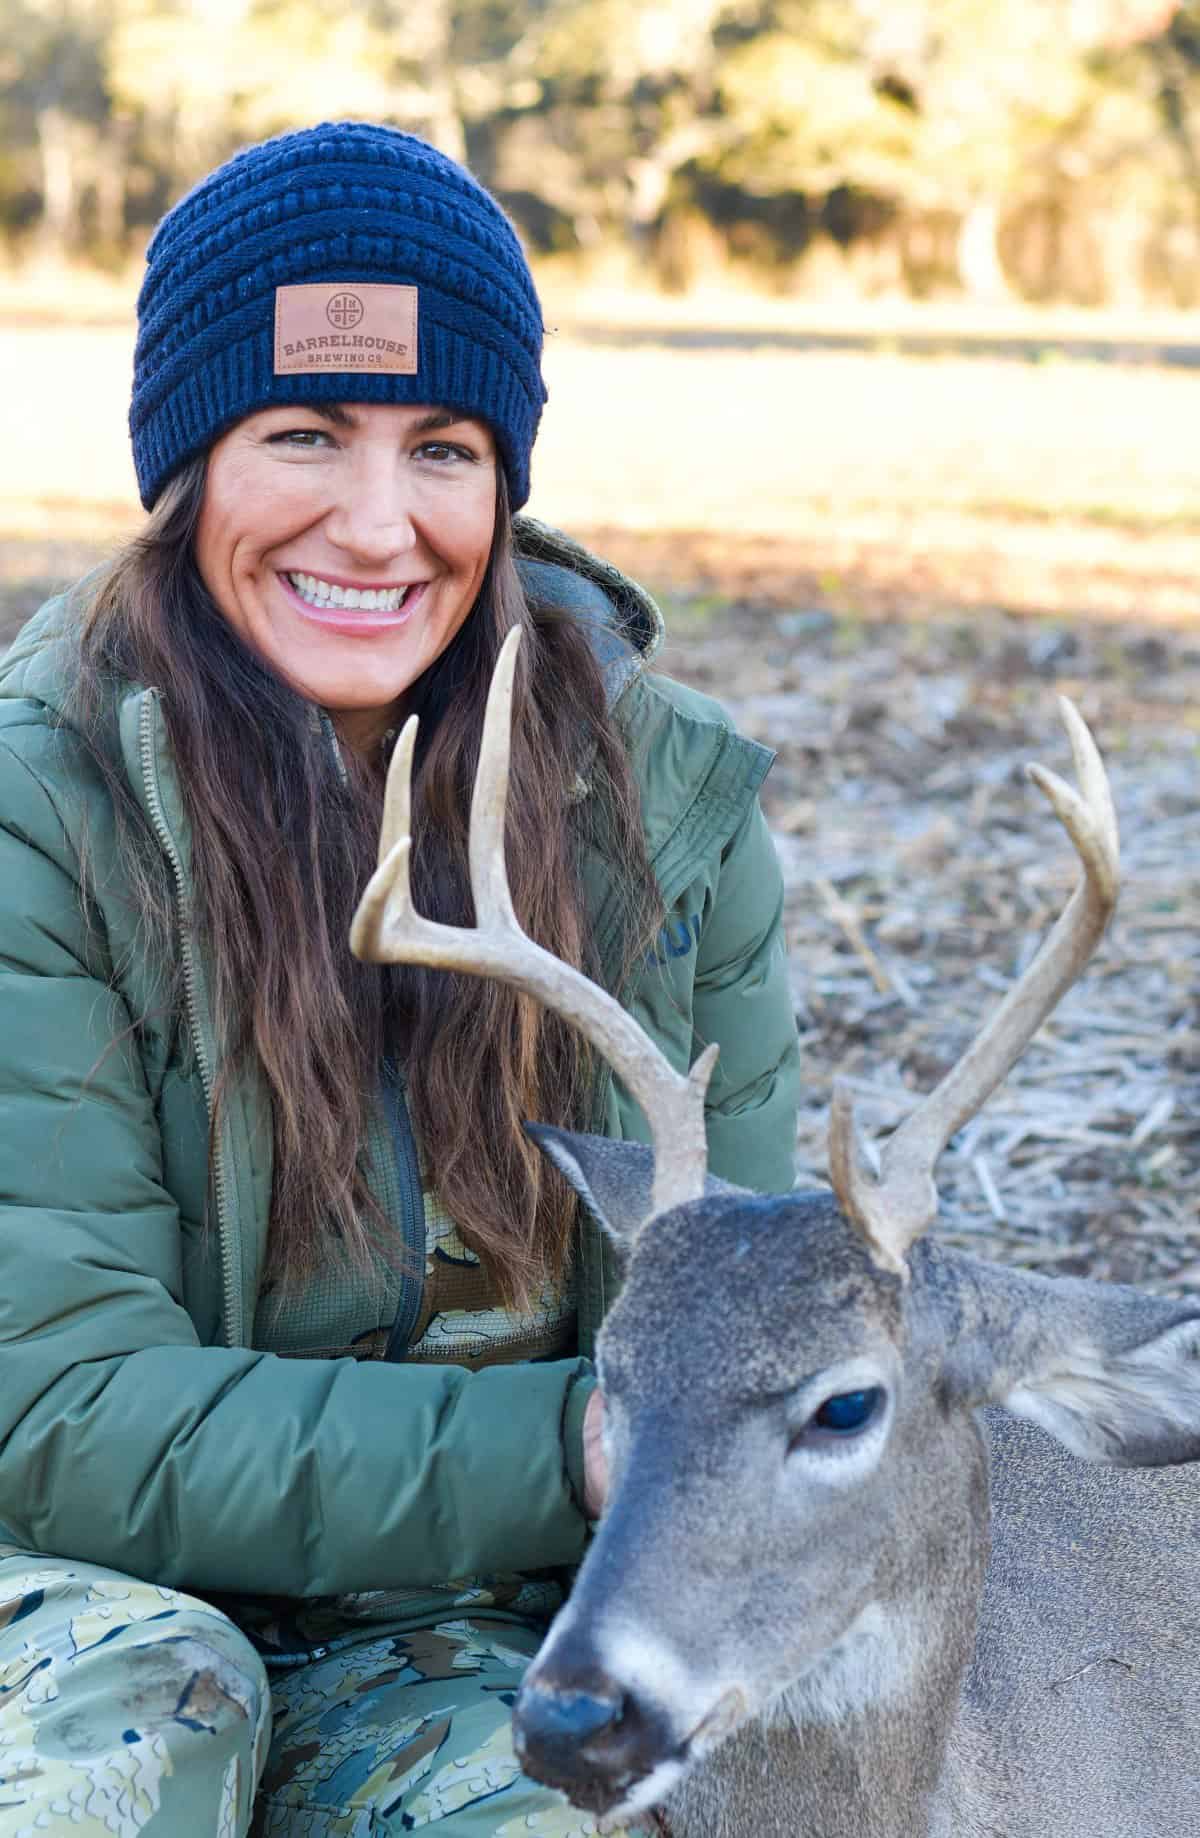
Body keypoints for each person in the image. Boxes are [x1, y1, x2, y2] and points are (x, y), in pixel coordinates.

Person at [0, 122, 800, 1836]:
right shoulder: (35, 809)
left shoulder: (670, 812)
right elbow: (56, 1414)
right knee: (153, 1720)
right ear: (187, 461)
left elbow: (744, 1299)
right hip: (65, 1603)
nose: (379, 526)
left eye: (443, 446)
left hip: (455, 1636)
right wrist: (584, 1455)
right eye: (303, 433)